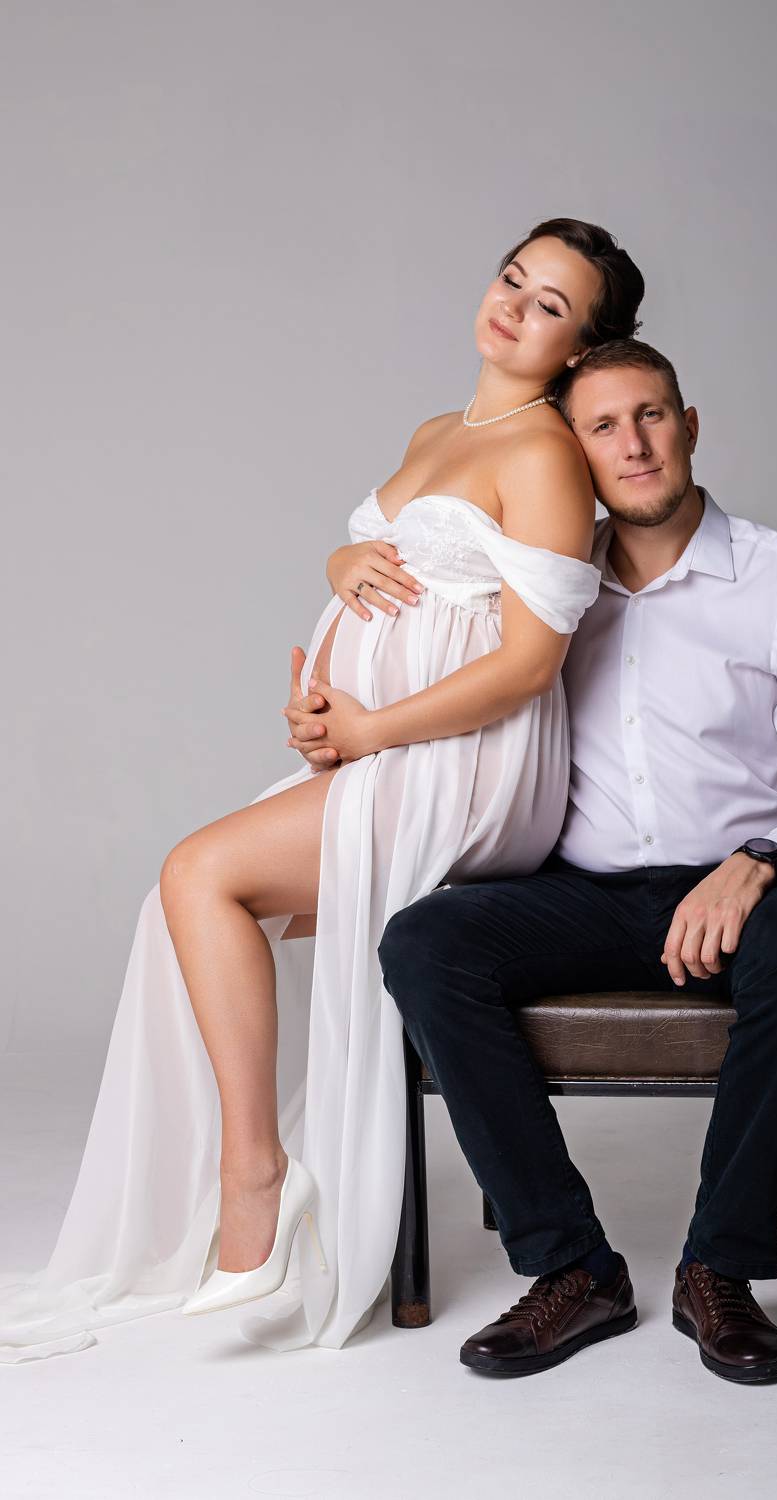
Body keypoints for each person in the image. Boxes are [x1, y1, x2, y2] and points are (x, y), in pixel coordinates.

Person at [0, 219, 646, 1364]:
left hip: (472, 768)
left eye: (550, 304)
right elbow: (396, 572)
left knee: (199, 874)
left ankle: (256, 1177)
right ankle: (238, 1187)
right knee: (182, 909)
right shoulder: (438, 430)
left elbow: (527, 664)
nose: (512, 306)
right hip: (381, 751)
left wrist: (373, 726)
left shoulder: (544, 452)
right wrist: (336, 596)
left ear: (582, 347)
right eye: (512, 278)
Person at [371, 338, 777, 1383]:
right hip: (584, 894)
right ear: (575, 452)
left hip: (747, 889)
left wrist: (760, 859)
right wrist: (346, 580)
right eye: (603, 426)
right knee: (424, 943)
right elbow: (414, 639)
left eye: (651, 415)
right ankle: (572, 1269)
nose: (635, 444)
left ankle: (719, 1271)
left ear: (688, 426)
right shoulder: (542, 591)